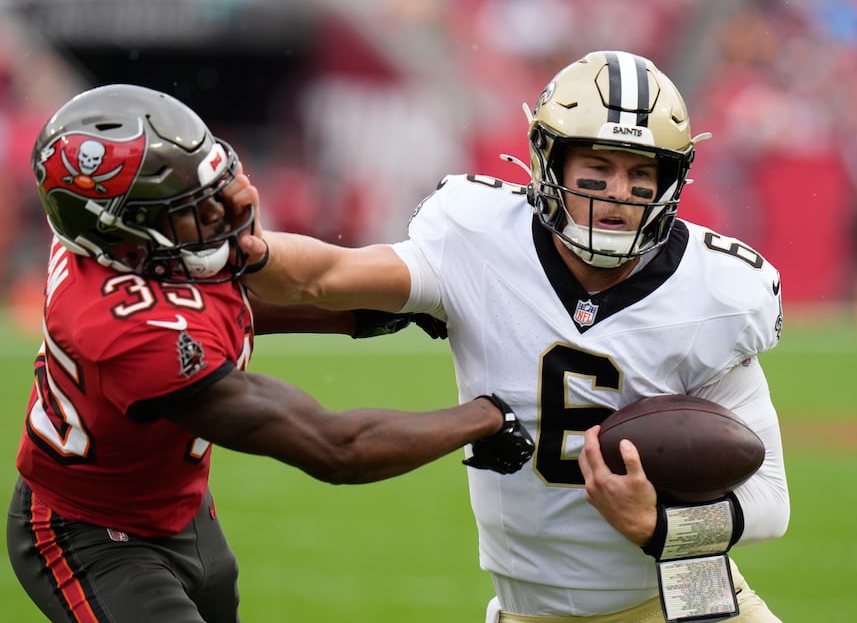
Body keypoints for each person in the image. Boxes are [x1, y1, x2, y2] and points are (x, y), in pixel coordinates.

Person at [229, 51, 790, 622]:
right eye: (597, 169)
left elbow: (771, 500)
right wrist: (248, 245)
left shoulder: (715, 292)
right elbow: (324, 276)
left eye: (641, 174)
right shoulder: (478, 239)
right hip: (533, 612)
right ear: (551, 163)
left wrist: (661, 525)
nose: (619, 192)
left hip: (687, 603)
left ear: (670, 181)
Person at [6, 84, 534, 623]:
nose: (222, 208)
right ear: (124, 237)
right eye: (187, 206)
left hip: (180, 513)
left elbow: (230, 308)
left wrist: (382, 312)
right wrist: (485, 416)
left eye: (208, 185)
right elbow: (335, 447)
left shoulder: (129, 255)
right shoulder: (132, 334)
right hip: (90, 533)